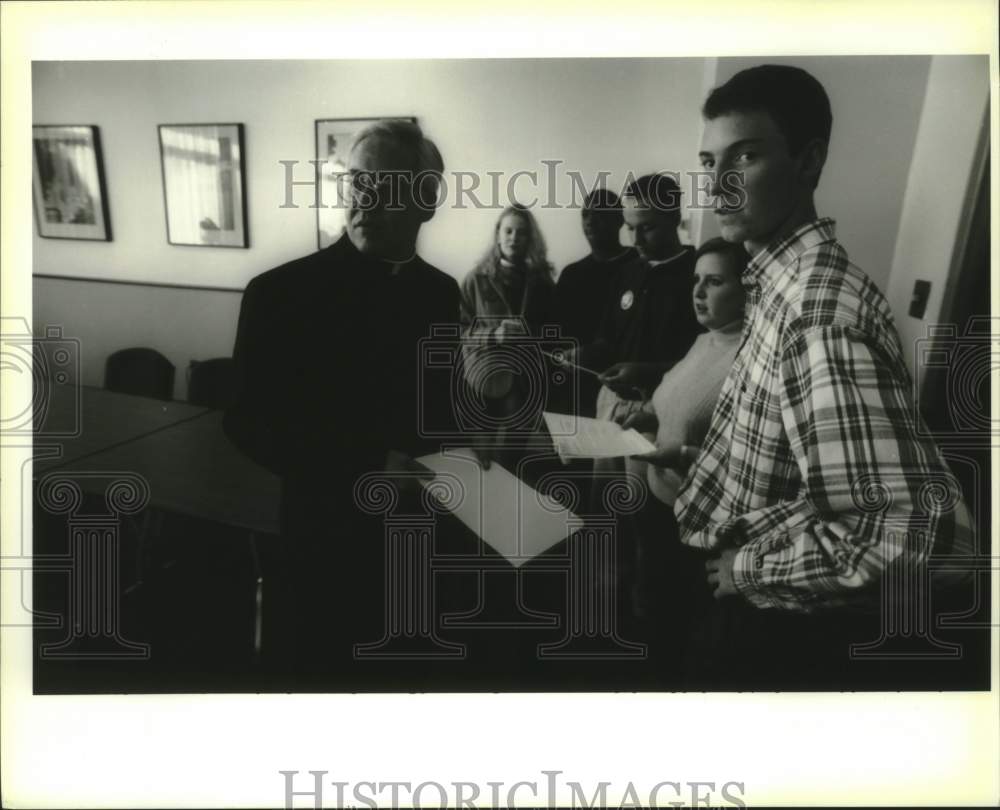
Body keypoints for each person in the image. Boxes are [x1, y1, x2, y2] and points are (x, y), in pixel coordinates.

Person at [675, 64, 973, 687]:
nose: (719, 186)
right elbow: (801, 462)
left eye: (745, 157)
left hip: (777, 633)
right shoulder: (773, 286)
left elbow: (922, 540)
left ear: (808, 162)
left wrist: (751, 570)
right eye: (709, 164)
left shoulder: (819, 314)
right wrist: (711, 459)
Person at [224, 119, 460, 677]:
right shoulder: (279, 294)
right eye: (357, 182)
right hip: (325, 541)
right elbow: (248, 423)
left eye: (389, 186)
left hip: (419, 538)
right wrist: (370, 465)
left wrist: (477, 425)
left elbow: (434, 411)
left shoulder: (440, 293)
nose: (365, 201)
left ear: (426, 201)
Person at [620, 238, 748, 644]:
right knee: (650, 622)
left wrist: (684, 455)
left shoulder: (748, 359)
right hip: (657, 506)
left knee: (676, 634)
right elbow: (672, 405)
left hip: (695, 527)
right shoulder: (702, 340)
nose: (697, 292)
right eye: (696, 279)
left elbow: (739, 458)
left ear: (747, 289)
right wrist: (647, 415)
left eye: (714, 281)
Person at [459, 203, 559, 479]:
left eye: (522, 232)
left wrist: (532, 333)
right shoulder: (476, 279)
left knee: (511, 462)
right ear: (498, 235)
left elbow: (554, 331)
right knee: (483, 462)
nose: (514, 238)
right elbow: (459, 331)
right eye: (509, 231)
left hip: (526, 383)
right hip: (484, 382)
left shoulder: (542, 282)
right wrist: (493, 335)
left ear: (530, 238)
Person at [554, 189, 637, 417]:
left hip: (625, 389)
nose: (590, 221)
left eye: (599, 214)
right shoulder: (571, 274)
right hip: (577, 388)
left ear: (619, 220)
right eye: (586, 214)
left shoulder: (638, 266)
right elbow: (557, 335)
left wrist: (596, 353)